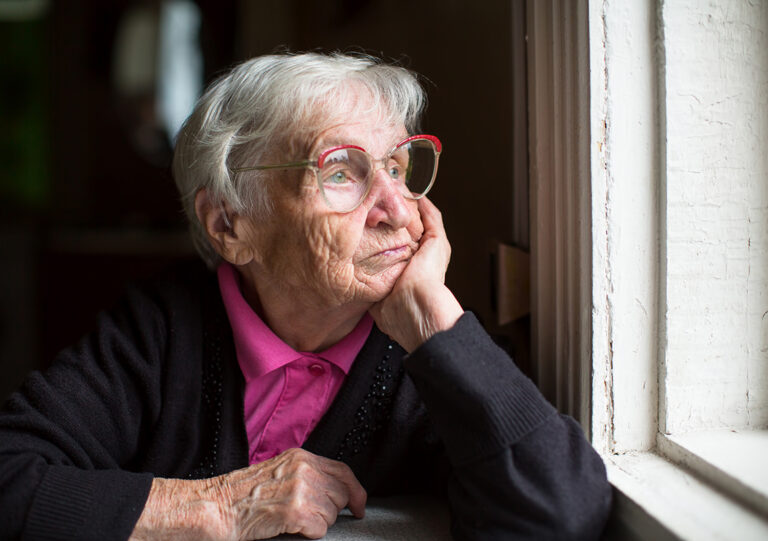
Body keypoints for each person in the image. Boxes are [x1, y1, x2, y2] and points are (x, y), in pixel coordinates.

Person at [0, 52, 611, 540]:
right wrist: (222, 506)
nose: (398, 210)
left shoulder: (427, 356)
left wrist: (431, 319)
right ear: (230, 226)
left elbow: (560, 510)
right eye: (342, 172)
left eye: (398, 167)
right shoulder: (160, 331)